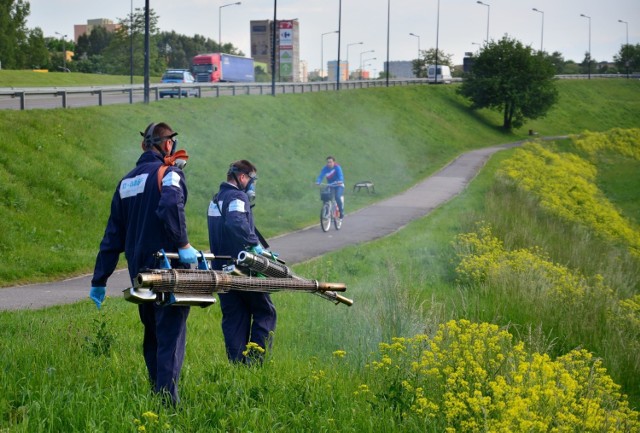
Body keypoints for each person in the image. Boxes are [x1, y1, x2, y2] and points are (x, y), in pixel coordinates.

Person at [89, 122, 200, 406]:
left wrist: (99, 280)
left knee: (152, 334)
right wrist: (184, 244)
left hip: (140, 273)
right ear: (166, 145)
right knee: (171, 336)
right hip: (168, 270)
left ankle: (157, 393)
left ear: (143, 145)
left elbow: (113, 234)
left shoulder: (126, 182)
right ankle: (167, 402)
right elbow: (170, 206)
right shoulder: (170, 173)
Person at [207, 160, 277, 364]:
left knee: (235, 317)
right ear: (243, 177)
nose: (252, 185)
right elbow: (235, 221)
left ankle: (237, 366)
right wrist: (254, 244)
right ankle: (255, 363)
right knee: (265, 312)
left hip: (221, 270)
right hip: (243, 269)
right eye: (252, 180)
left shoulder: (215, 199)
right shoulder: (237, 196)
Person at [316, 156, 345, 220]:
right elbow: (321, 176)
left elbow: (341, 176)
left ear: (334, 162)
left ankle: (341, 212)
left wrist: (340, 181)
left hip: (339, 185)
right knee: (326, 197)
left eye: (330, 162)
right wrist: (318, 181)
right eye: (328, 162)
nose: (329, 163)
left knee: (337, 197)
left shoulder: (337, 167)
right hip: (331, 185)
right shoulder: (325, 168)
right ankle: (326, 212)